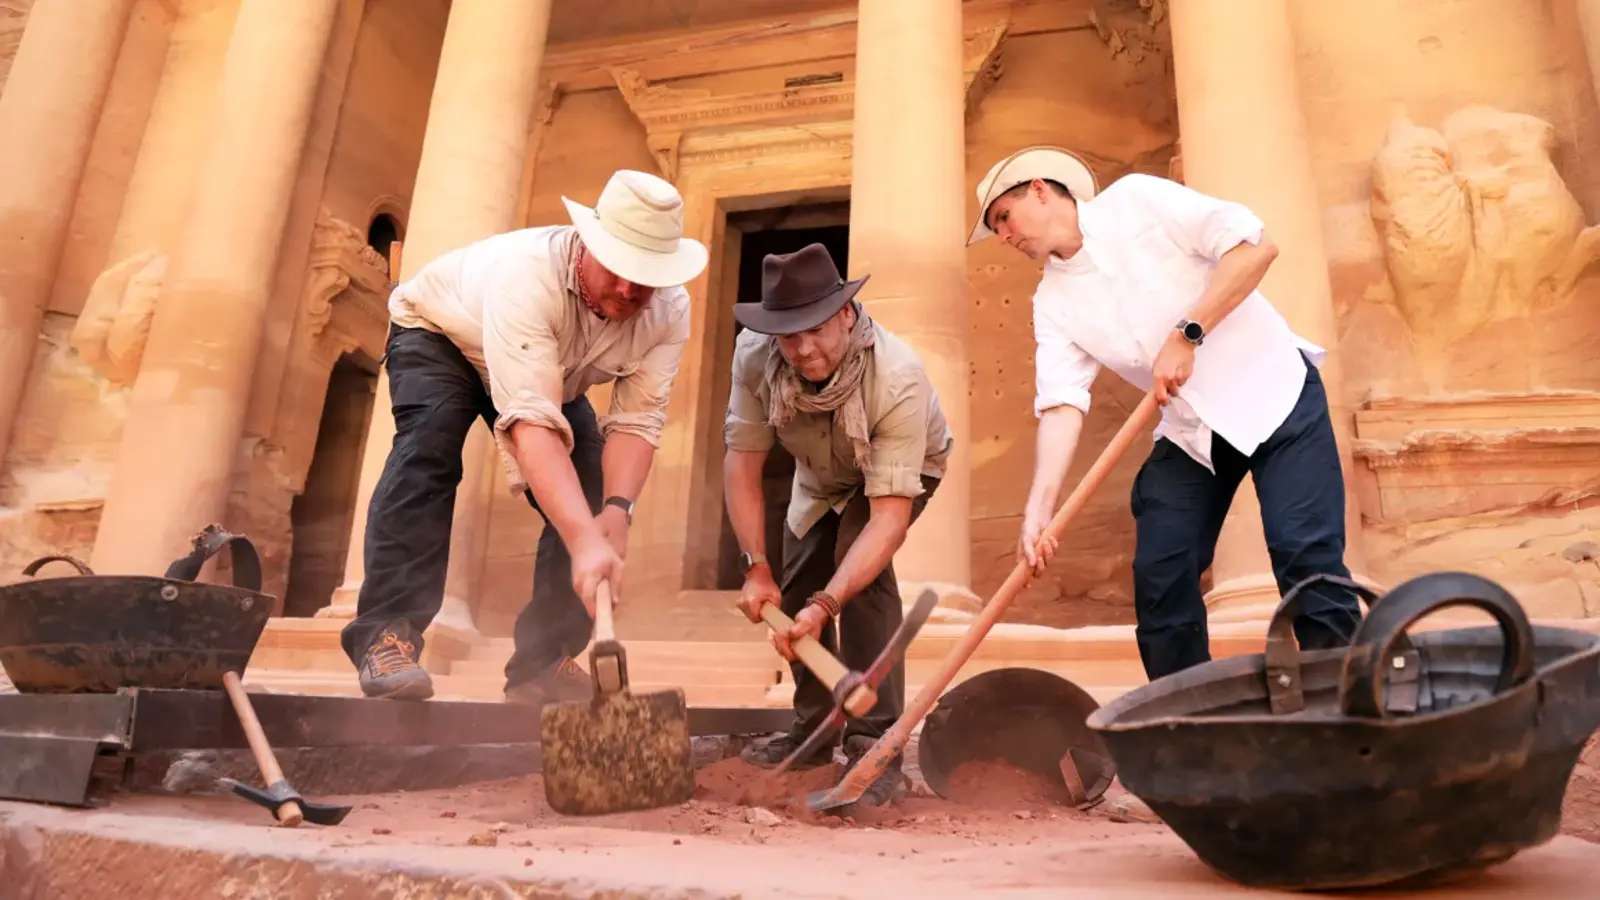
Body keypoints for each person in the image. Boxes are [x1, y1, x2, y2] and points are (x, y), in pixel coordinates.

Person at [969, 145, 1361, 679]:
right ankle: (1184, 730)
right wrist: (1040, 507)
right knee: (1161, 572)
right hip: (1193, 433)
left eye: (1004, 218)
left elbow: (1254, 249)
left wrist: (1188, 332)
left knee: (1304, 556)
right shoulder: (1052, 303)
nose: (1005, 236)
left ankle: (1350, 710)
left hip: (1276, 397)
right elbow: (1062, 402)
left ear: (1039, 189)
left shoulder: (1137, 201)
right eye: (997, 229)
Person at [342, 169, 708, 704]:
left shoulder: (669, 312)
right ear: (588, 244)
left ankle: (543, 663)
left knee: (584, 491)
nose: (630, 290)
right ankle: (386, 636)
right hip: (444, 335)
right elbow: (532, 423)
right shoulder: (528, 273)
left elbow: (637, 421)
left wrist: (615, 511)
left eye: (646, 276)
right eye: (619, 270)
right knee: (429, 451)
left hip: (548, 369)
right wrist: (583, 543)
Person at [722, 243, 952, 807]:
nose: (802, 350)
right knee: (796, 582)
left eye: (816, 330)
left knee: (861, 580)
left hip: (897, 472)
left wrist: (828, 605)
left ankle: (877, 746)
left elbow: (888, 518)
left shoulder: (897, 375)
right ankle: (816, 732)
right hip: (817, 475)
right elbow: (743, 463)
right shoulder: (755, 356)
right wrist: (756, 569)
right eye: (788, 335)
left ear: (847, 314)